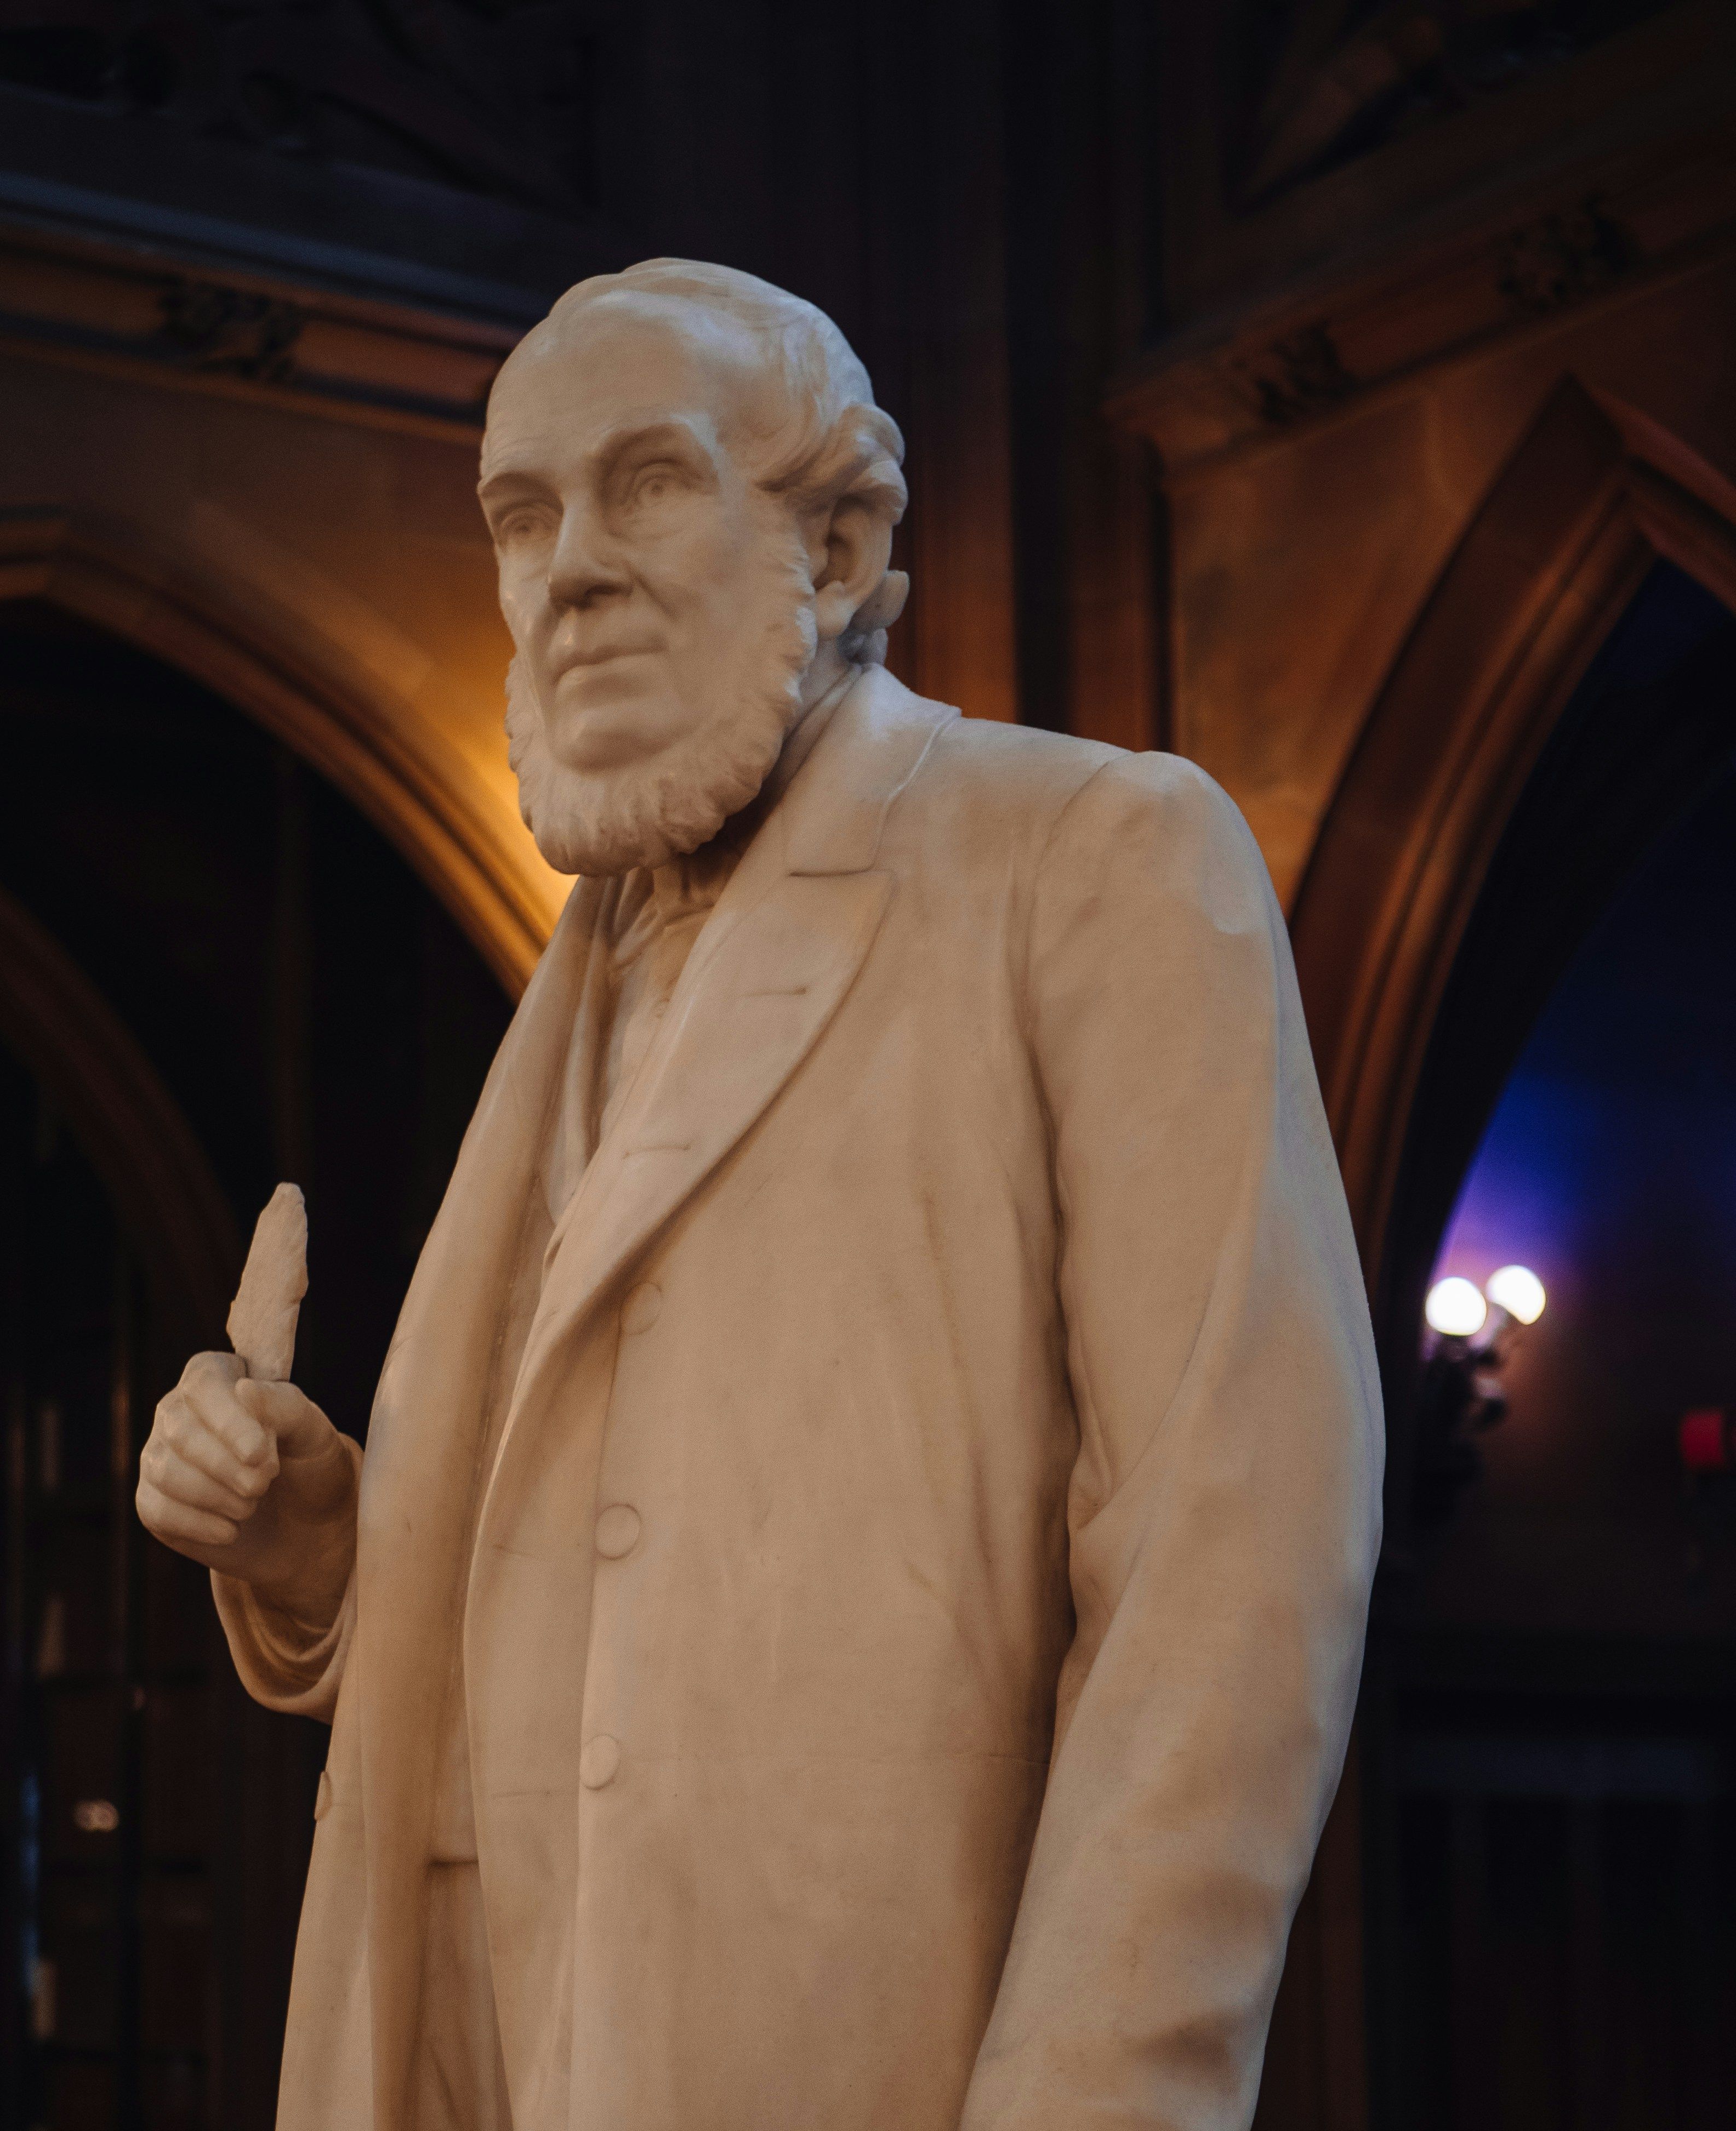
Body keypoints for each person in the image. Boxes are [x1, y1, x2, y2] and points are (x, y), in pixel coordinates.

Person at [135, 258, 1382, 2131]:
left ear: (843, 541)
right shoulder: (569, 992)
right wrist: (318, 1557)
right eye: (522, 516)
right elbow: (616, 1592)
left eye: (646, 483)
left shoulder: (1090, 856)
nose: (568, 571)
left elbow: (1232, 1570)